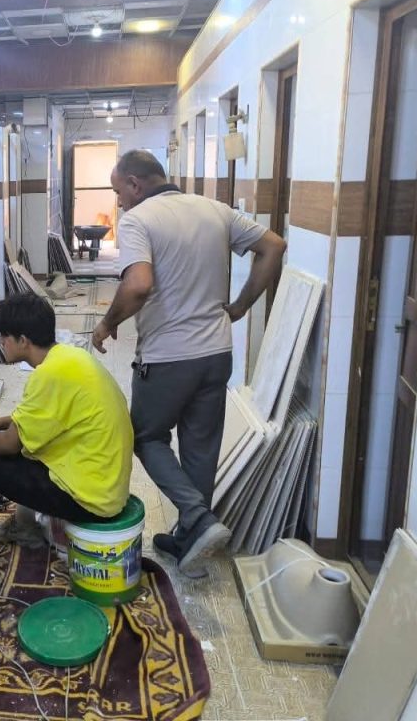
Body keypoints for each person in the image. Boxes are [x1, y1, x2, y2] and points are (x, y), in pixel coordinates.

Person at [91, 150, 286, 578]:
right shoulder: (215, 210)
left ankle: (196, 517)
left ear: (135, 184)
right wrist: (240, 306)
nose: (119, 201)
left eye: (119, 191)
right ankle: (187, 542)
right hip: (216, 353)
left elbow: (138, 285)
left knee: (147, 437)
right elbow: (273, 246)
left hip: (167, 356)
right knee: (200, 447)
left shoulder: (138, 220)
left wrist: (107, 323)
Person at [0, 292, 134, 589]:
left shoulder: (49, 375)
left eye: (4, 337)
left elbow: (10, 444)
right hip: (106, 487)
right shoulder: (69, 358)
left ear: (23, 340)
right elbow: (33, 420)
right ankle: (26, 529)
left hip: (90, 499)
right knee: (30, 444)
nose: (1, 343)